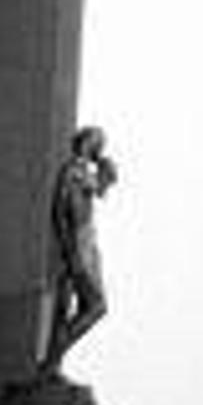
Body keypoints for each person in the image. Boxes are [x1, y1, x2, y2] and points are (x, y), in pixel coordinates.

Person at [40, 125, 117, 372]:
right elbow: (61, 212)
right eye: (98, 144)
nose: (100, 150)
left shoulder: (80, 173)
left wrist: (105, 175)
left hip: (84, 246)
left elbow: (99, 189)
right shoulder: (74, 172)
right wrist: (70, 251)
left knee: (77, 307)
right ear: (88, 143)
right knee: (97, 306)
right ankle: (53, 354)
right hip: (79, 248)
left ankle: (53, 359)